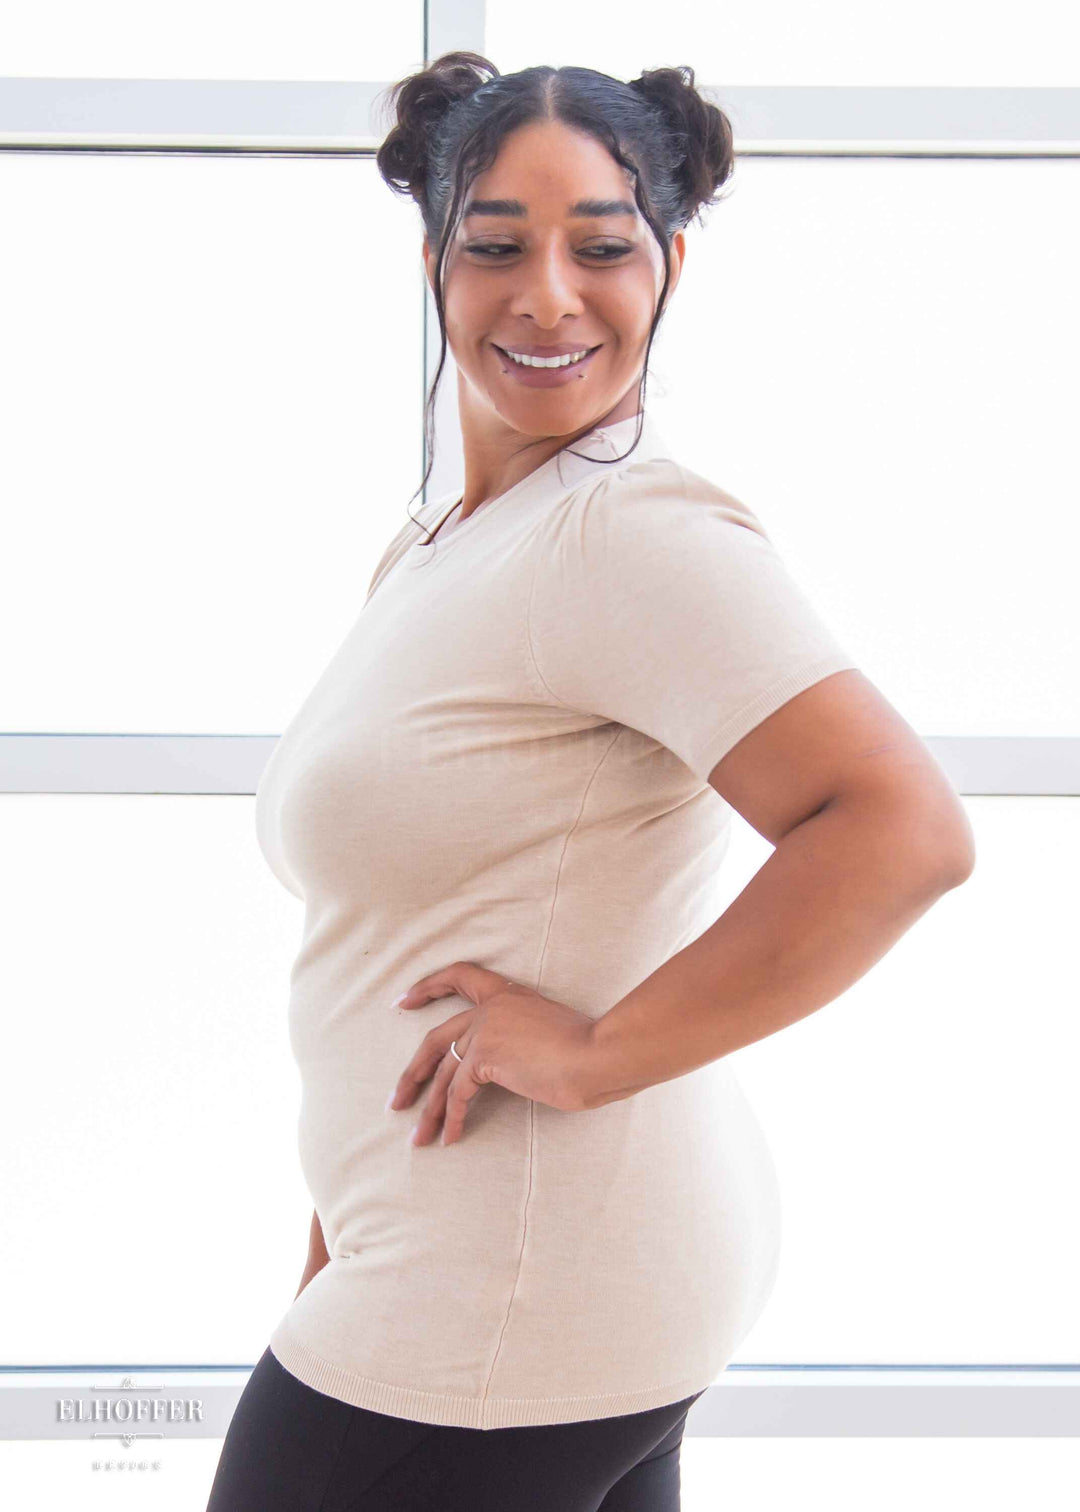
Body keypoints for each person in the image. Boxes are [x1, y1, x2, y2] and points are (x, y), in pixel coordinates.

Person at [206, 50, 975, 1512]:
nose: (548, 294)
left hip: (511, 1287)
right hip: (519, 1268)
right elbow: (400, 935)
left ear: (671, 262)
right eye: (495, 245)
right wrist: (337, 1249)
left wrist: (594, 1050)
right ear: (433, 259)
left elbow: (902, 830)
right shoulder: (447, 542)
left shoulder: (631, 535)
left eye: (602, 247)